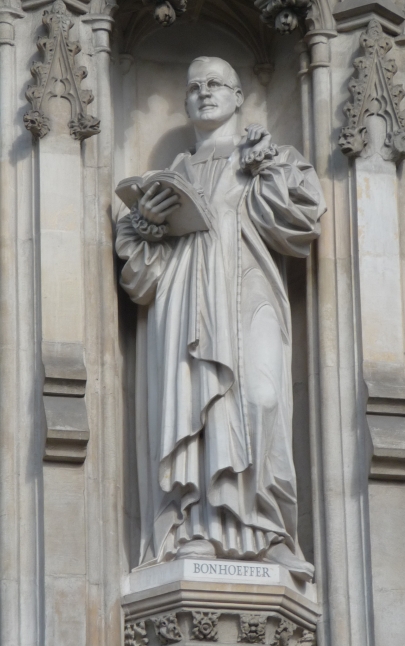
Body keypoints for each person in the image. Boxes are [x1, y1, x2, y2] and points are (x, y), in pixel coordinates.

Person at [115, 56, 325, 581]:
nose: (204, 92)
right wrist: (149, 224)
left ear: (237, 96)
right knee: (193, 410)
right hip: (184, 306)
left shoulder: (267, 156)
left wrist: (266, 167)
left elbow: (301, 223)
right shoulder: (171, 176)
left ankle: (268, 532)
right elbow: (139, 277)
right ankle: (194, 529)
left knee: (262, 397)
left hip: (248, 292)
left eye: (216, 84)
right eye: (194, 87)